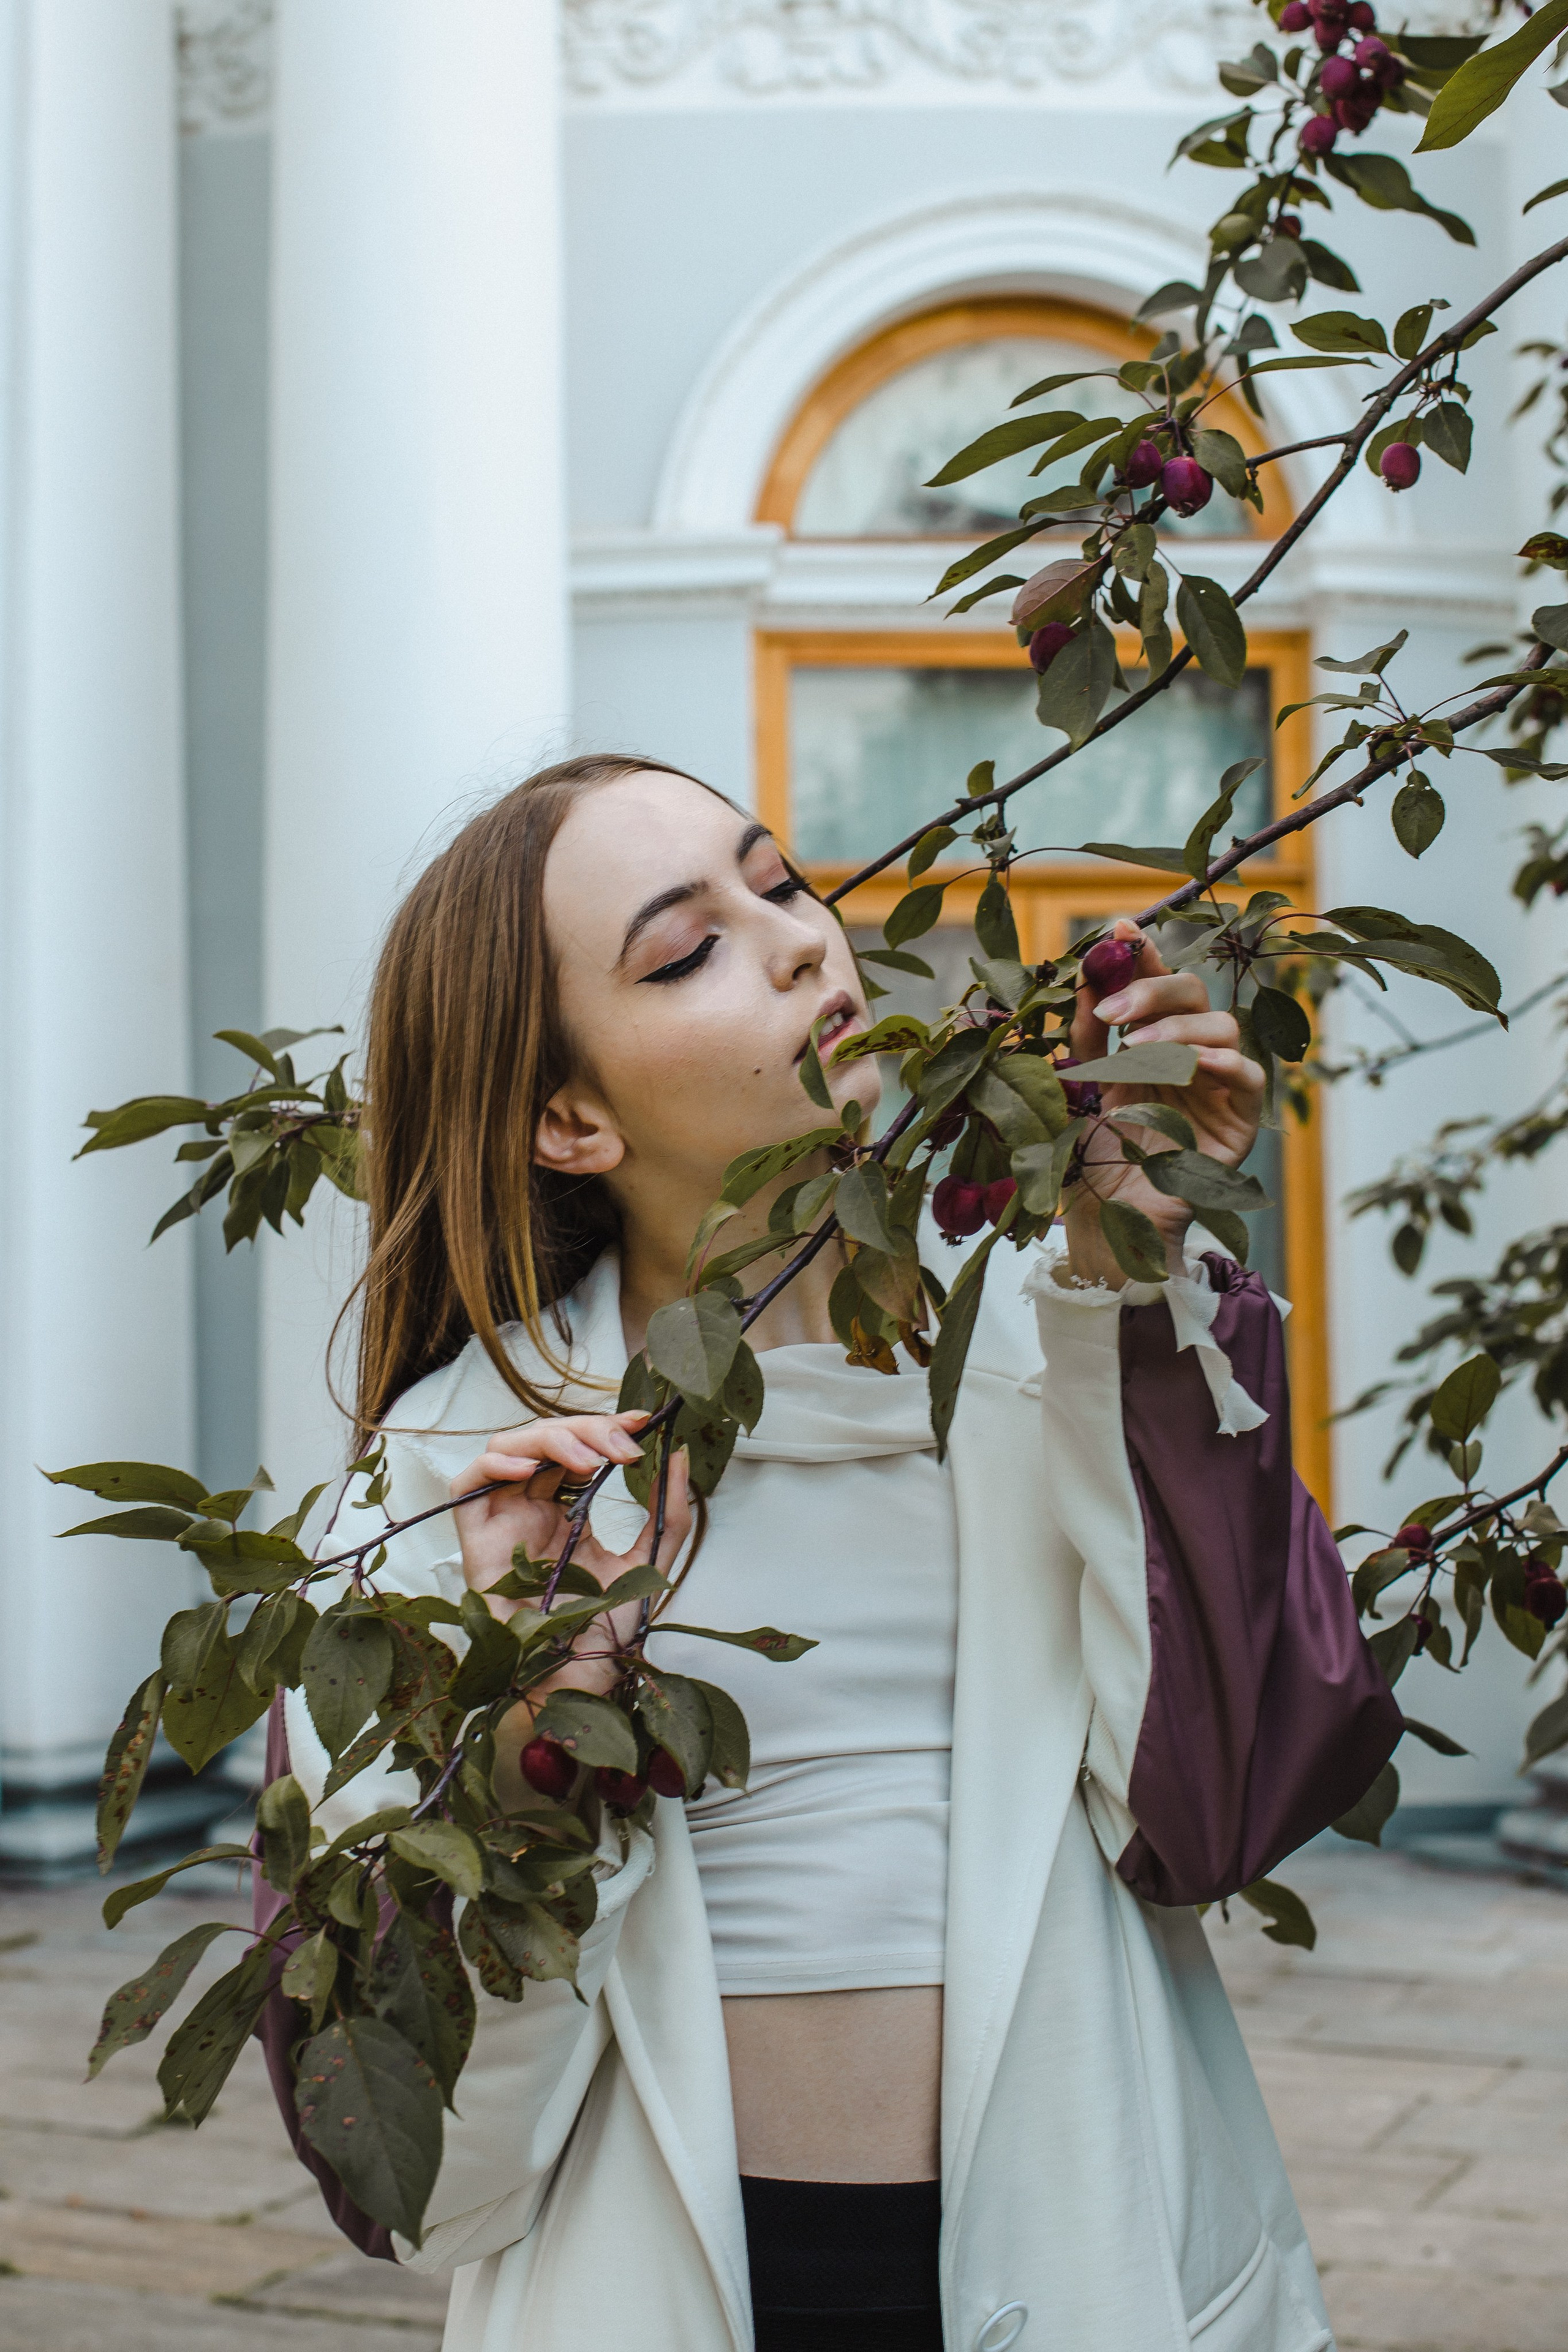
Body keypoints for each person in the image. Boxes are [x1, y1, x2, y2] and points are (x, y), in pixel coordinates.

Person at [261, 752, 1398, 2352]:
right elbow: (419, 2177)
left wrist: (1141, 1279)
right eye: (688, 950)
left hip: (1101, 2271)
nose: (802, 941)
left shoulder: (1058, 1343)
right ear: (571, 1119)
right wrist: (528, 1757)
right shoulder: (451, 1493)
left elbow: (1230, 1806)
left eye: (780, 882)